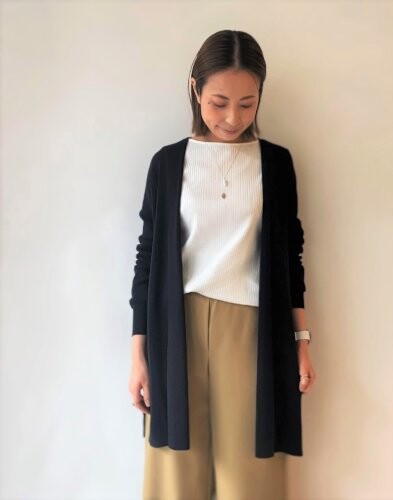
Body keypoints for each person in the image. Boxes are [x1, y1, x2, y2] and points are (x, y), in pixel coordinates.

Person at [128, 29, 316, 500]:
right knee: (175, 476)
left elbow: (291, 259)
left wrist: (301, 341)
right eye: (219, 103)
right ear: (195, 89)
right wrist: (138, 354)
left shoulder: (275, 164)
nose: (233, 118)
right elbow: (147, 257)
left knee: (250, 477)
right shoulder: (167, 164)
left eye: (247, 103)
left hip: (253, 329)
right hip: (177, 326)